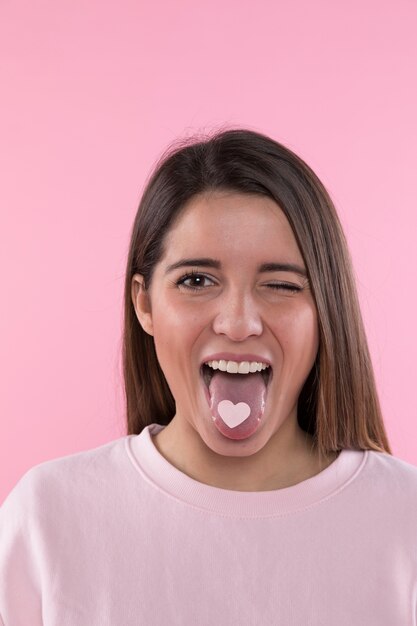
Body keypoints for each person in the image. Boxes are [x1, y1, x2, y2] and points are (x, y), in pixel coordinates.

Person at [1, 127, 416, 625]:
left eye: (281, 284)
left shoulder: (404, 522)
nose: (238, 323)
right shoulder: (50, 516)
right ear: (144, 303)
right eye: (196, 281)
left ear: (326, 309)